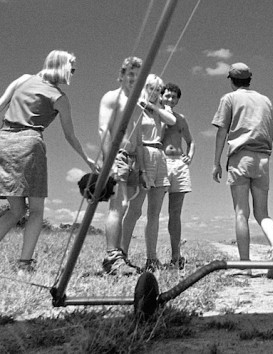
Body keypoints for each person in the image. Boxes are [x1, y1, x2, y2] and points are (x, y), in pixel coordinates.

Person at [0, 50, 95, 272]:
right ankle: (24, 264)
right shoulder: (59, 97)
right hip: (30, 145)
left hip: (3, 140)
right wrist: (87, 159)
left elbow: (1, 104)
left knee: (15, 210)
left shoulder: (23, 79)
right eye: (71, 67)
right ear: (61, 66)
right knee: (36, 210)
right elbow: (70, 136)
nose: (73, 72)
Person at [212, 62, 273, 278]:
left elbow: (221, 132)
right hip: (263, 158)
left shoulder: (229, 99)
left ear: (232, 80)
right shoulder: (266, 100)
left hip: (240, 157)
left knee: (241, 213)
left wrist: (216, 162)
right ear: (249, 79)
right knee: (262, 212)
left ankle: (245, 265)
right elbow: (270, 130)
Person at [121, 73, 176, 272]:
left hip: (159, 155)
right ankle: (122, 255)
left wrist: (153, 106)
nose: (155, 92)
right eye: (151, 88)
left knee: (155, 212)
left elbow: (171, 121)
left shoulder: (158, 109)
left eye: (158, 89)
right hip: (142, 153)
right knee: (135, 209)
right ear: (145, 87)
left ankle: (152, 258)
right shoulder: (135, 106)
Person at [99, 56, 148, 275]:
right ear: (121, 75)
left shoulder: (137, 105)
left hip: (133, 159)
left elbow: (137, 137)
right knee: (116, 207)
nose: (133, 79)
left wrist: (141, 167)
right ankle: (112, 257)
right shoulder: (112, 97)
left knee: (127, 207)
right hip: (116, 157)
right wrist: (109, 162)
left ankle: (120, 255)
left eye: (138, 76)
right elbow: (103, 130)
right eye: (130, 74)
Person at [161, 83, 195, 270]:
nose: (170, 100)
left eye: (174, 97)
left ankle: (176, 255)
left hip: (179, 164)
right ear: (161, 97)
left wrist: (189, 157)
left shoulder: (182, 119)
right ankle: (152, 256)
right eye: (167, 96)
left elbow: (191, 141)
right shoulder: (158, 116)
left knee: (175, 212)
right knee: (154, 210)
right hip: (162, 161)